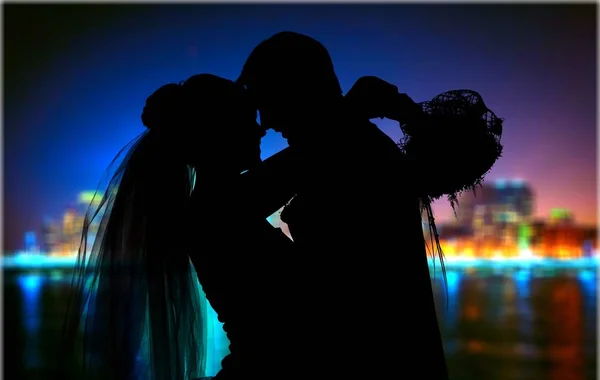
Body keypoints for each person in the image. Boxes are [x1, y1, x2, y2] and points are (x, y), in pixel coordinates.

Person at [237, 31, 451, 379]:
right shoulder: (341, 143)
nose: (266, 124)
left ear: (296, 90)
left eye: (266, 101)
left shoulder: (350, 148)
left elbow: (237, 205)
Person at [59, 74, 300, 380]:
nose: (260, 129)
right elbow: (310, 154)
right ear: (218, 132)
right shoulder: (218, 205)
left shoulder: (216, 202)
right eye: (246, 120)